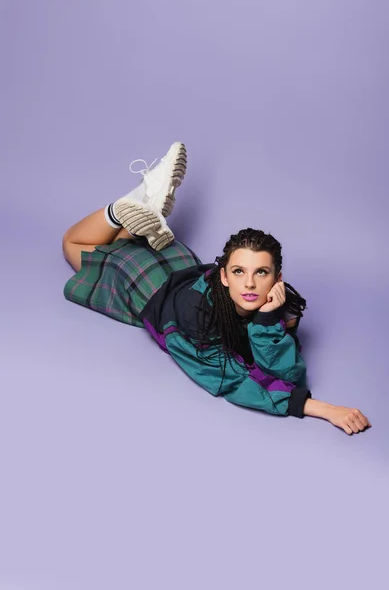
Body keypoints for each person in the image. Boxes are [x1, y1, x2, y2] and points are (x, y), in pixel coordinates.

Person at [62, 142, 371, 435]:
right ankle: (122, 208)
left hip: (183, 264)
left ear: (278, 278)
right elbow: (231, 382)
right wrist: (325, 409)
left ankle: (143, 203)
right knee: (72, 244)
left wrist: (265, 320)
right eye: (239, 272)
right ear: (224, 275)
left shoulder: (279, 304)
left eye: (260, 272)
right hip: (148, 287)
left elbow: (289, 373)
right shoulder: (198, 318)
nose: (249, 283)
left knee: (122, 241)